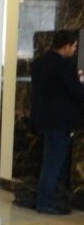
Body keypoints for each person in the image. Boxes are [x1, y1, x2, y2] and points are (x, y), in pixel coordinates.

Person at [30, 30, 84, 215]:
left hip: (43, 119)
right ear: (66, 46)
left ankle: (49, 199)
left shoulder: (39, 63)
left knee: (50, 162)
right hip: (61, 121)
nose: (74, 50)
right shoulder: (64, 65)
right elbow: (77, 92)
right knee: (53, 164)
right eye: (74, 47)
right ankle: (45, 202)